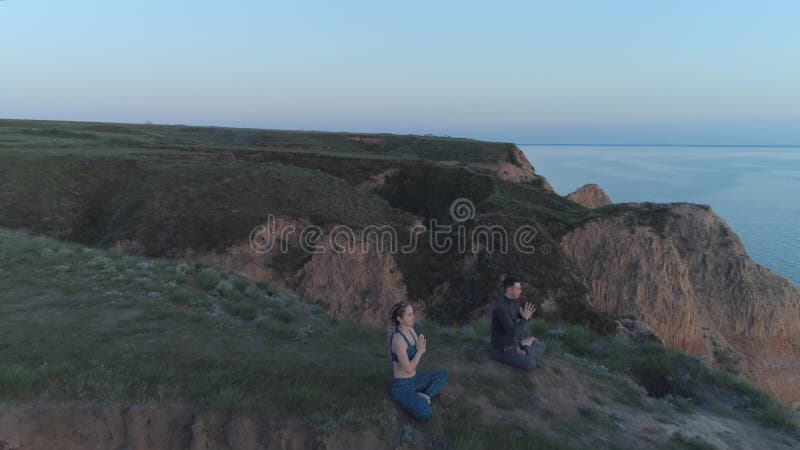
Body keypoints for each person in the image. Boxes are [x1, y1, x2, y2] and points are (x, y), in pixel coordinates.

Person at [387, 301, 448, 420]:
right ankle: (417, 399)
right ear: (400, 318)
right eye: (409, 315)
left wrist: (421, 349)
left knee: (443, 375)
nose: (414, 317)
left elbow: (420, 350)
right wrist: (419, 351)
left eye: (413, 313)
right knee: (426, 413)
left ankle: (425, 395)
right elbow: (408, 369)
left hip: (414, 380)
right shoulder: (398, 341)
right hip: (402, 386)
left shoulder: (411, 330)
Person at [489, 277, 545, 369]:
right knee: (530, 363)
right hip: (501, 348)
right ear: (509, 290)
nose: (521, 291)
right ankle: (526, 347)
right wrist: (525, 318)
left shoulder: (515, 302)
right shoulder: (501, 308)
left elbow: (522, 322)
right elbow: (512, 332)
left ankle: (523, 347)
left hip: (512, 342)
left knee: (541, 345)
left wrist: (527, 317)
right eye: (518, 288)